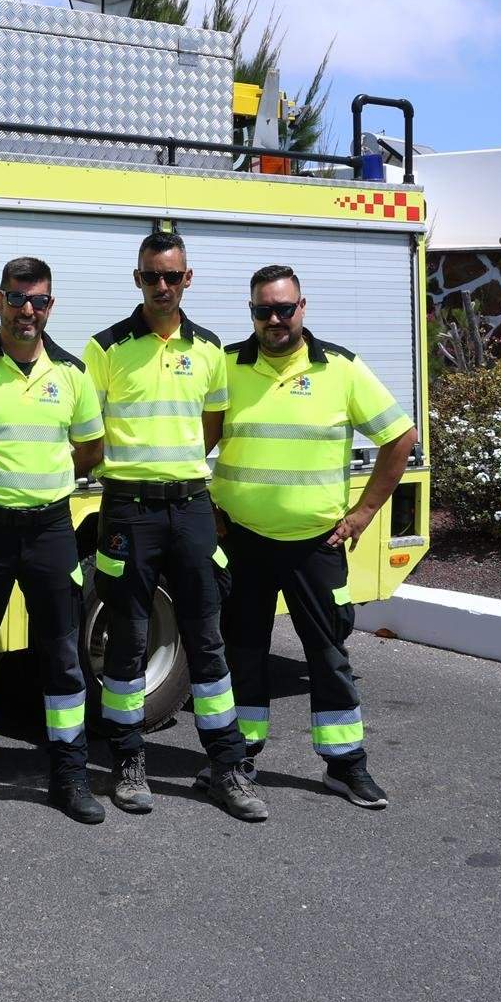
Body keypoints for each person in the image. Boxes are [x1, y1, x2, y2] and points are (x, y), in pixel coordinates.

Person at [213, 264, 420, 810]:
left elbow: (400, 436)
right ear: (251, 313)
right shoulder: (225, 365)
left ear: (303, 308)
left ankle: (346, 766)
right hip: (243, 542)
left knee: (328, 657)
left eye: (285, 309)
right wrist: (206, 507)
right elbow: (187, 437)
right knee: (243, 653)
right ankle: (237, 762)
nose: (275, 319)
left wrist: (364, 512)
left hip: (315, 546)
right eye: (264, 310)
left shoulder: (342, 369)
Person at [84, 229, 267, 822]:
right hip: (127, 511)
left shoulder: (210, 349)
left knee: (206, 636)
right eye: (149, 276)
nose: (160, 286)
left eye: (171, 276)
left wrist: (175, 468)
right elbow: (88, 430)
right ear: (136, 279)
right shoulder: (105, 348)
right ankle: (129, 762)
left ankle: (226, 768)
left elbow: (210, 426)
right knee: (129, 638)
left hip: (190, 508)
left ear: (188, 279)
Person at [0, 257, 106, 825]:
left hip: (51, 528)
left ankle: (70, 775)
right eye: (16, 299)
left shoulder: (74, 374)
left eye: (38, 301)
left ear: (50, 307)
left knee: (62, 656)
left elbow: (89, 450)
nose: (27, 311)